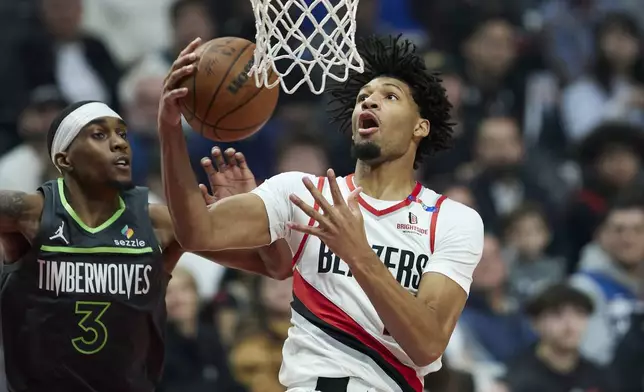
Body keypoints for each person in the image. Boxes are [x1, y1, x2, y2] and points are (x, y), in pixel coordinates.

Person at [159, 36, 485, 392]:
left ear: (420, 126)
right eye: (363, 97)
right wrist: (170, 127)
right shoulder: (300, 191)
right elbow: (196, 232)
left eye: (389, 96)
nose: (370, 100)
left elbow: (426, 346)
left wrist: (359, 254)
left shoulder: (454, 219)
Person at [0, 100, 291, 392]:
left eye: (122, 135)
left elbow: (275, 266)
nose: (118, 144)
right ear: (64, 159)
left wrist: (254, 208)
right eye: (100, 135)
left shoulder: (155, 222)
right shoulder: (29, 212)